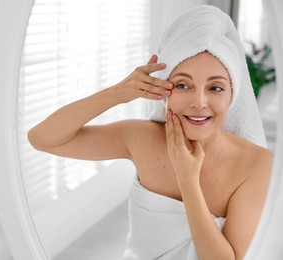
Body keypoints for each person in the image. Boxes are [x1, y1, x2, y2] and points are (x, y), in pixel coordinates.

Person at [28, 5, 273, 260]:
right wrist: (119, 92)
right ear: (162, 89)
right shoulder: (141, 139)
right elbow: (42, 138)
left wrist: (187, 181)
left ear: (233, 95)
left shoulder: (257, 164)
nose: (199, 102)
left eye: (216, 88)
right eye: (182, 84)